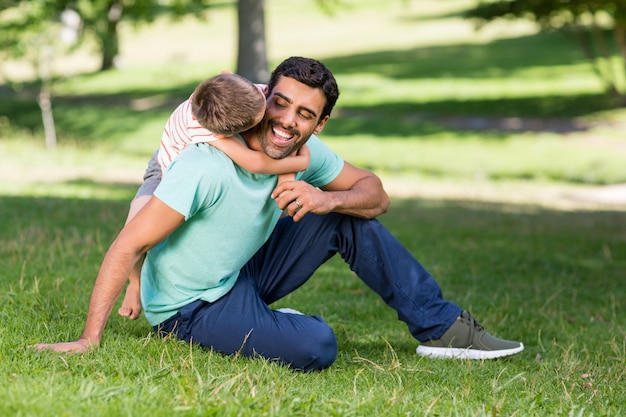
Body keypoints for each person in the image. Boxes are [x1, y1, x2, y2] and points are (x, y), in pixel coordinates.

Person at [35, 56, 523, 369]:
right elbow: (128, 243)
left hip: (242, 271)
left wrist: (327, 199)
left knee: (347, 215)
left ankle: (444, 329)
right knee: (317, 345)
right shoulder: (204, 163)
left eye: (305, 115)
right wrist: (87, 339)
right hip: (191, 307)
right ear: (263, 97)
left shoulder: (307, 154)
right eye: (281, 103)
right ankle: (268, 322)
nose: (288, 121)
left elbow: (375, 194)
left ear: (320, 122)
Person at [117, 72, 310, 320]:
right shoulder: (202, 127)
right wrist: (301, 159)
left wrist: (287, 178)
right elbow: (253, 163)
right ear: (226, 134)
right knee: (134, 228)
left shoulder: (244, 91)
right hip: (165, 168)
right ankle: (135, 284)